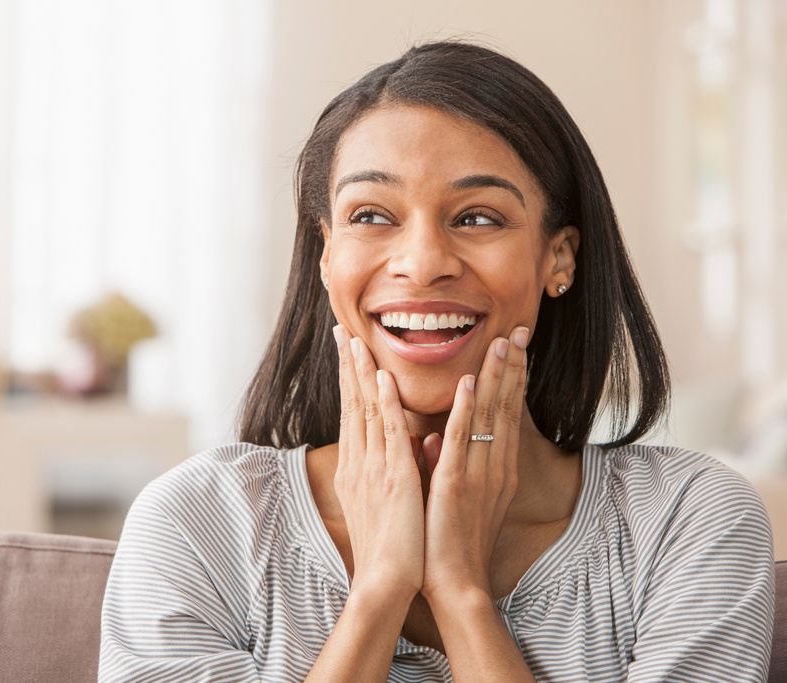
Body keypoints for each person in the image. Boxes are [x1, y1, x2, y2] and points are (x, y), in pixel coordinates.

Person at [98, 41, 774, 682]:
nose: (421, 263)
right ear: (326, 254)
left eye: (477, 217)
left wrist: (460, 592)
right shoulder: (196, 520)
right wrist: (378, 591)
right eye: (370, 215)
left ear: (557, 257)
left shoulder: (688, 518)